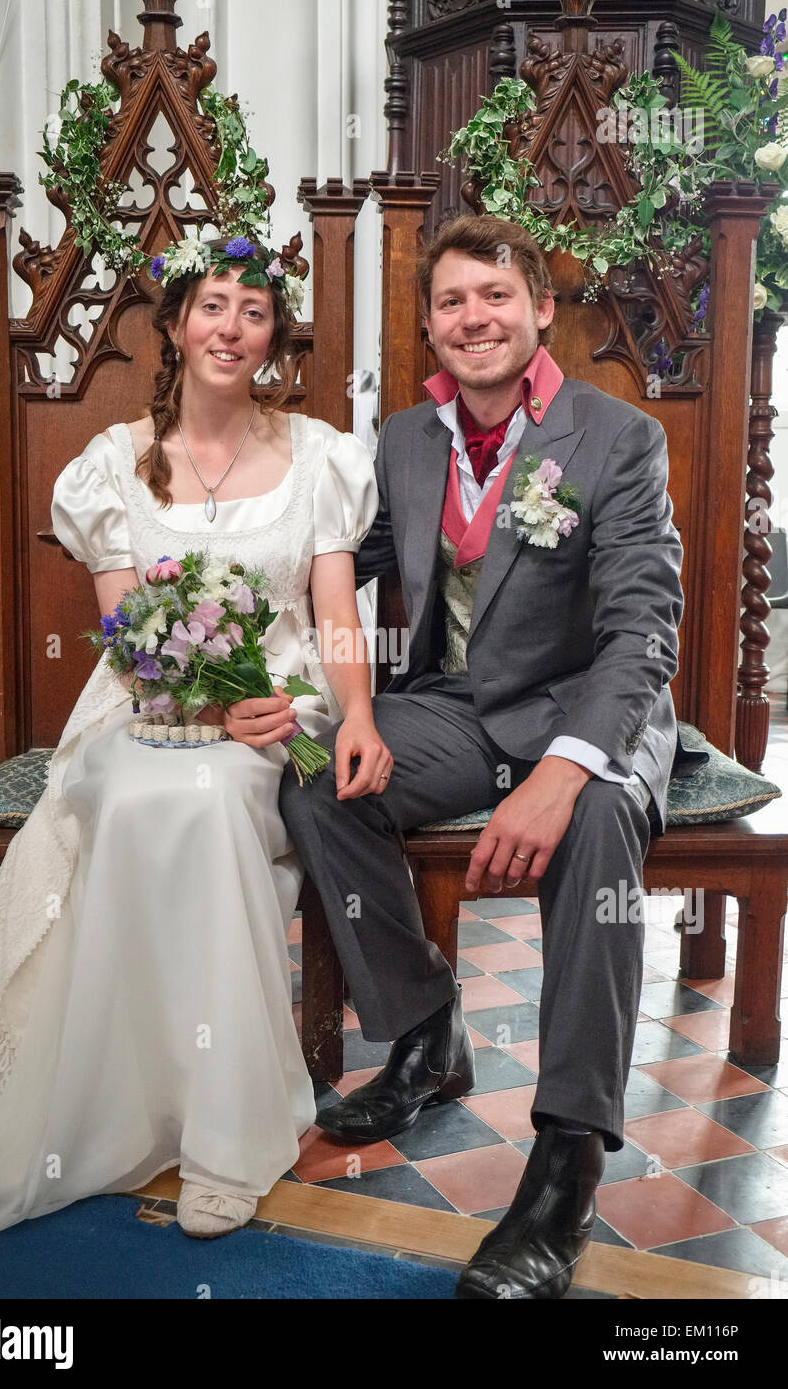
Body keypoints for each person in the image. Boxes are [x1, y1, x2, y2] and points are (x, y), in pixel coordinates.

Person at [0, 231, 386, 1238]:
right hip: (146, 703)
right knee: (138, 795)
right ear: (175, 326)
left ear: (273, 337)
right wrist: (204, 706)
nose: (231, 327)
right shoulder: (112, 466)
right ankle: (129, 1098)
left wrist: (352, 714)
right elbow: (131, 632)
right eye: (211, 305)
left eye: (253, 311)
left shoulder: (321, 457)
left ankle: (227, 1132)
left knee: (216, 799)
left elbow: (337, 612)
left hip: (282, 699)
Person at [279, 214, 684, 1299]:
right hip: (458, 707)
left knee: (597, 820)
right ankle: (422, 1035)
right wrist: (211, 574)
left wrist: (562, 771)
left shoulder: (617, 437)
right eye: (452, 302)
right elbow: (329, 561)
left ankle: (564, 1160)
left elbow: (644, 628)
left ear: (540, 310)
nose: (475, 318)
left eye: (495, 297)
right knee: (320, 778)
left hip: (594, 706)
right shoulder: (405, 442)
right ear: (429, 327)